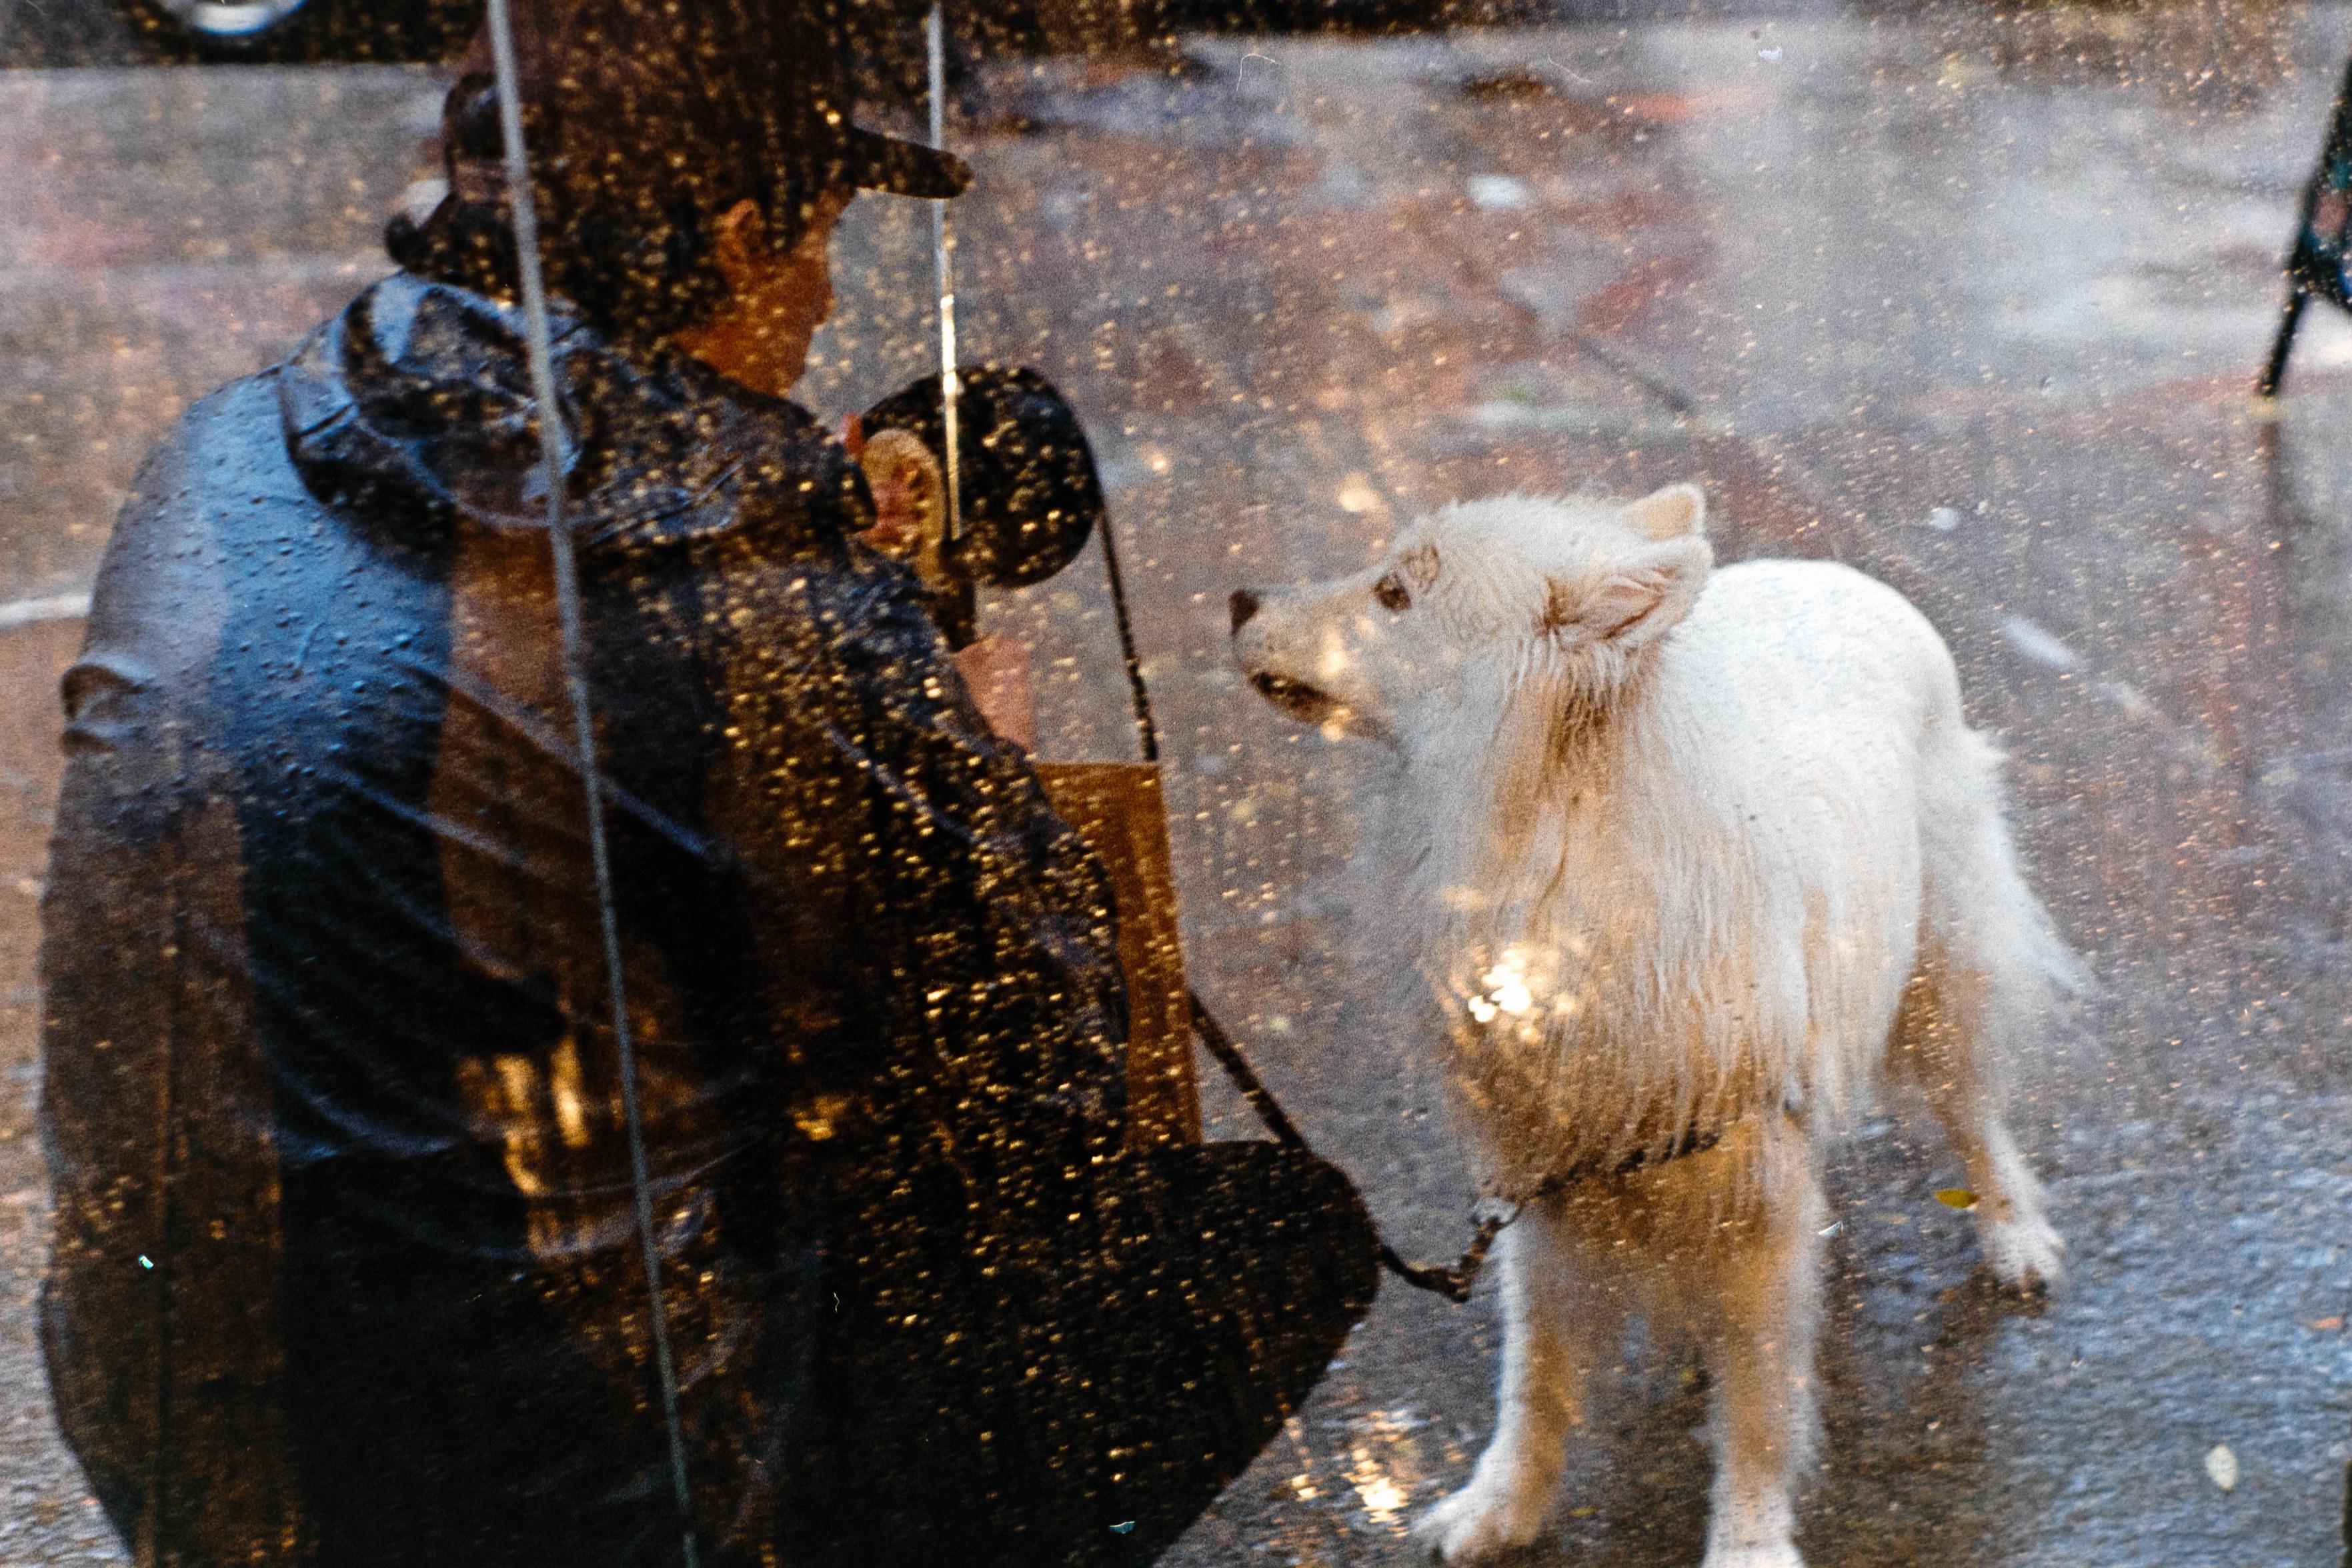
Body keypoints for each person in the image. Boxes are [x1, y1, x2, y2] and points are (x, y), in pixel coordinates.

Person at [36, 3, 1377, 1565]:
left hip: (199, 1463)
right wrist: (971, 757)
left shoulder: (213, 454)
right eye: (815, 241)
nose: (822, 301)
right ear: (741, 238)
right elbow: (1042, 1135)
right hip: (612, 1517)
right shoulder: (761, 597)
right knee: (1272, 1237)